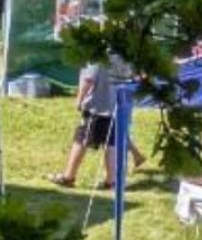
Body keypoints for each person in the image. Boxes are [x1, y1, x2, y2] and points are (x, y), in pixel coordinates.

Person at [48, 60, 141, 189]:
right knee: (110, 144)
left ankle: (68, 177)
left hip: (96, 107)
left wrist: (79, 99)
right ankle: (111, 181)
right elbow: (133, 77)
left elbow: (89, 79)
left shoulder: (96, 56)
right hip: (115, 107)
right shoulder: (123, 55)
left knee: (80, 140)